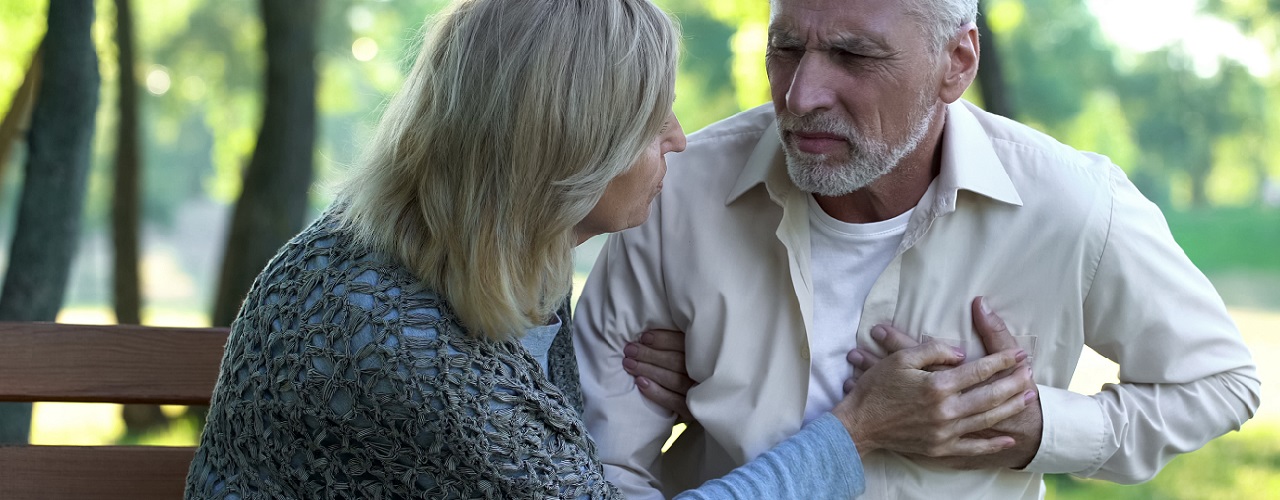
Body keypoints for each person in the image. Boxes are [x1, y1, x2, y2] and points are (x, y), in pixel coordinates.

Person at [183, 0, 1038, 498]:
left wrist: (679, 389)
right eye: (647, 121)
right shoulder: (399, 346)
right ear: (564, 149)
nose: (678, 142)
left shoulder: (473, 267)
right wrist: (858, 430)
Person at [573, 0, 1263, 498]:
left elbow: (1221, 383)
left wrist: (1034, 428)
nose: (803, 93)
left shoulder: (1074, 208)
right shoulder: (675, 195)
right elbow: (602, 469)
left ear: (956, 63)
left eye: (853, 55)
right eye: (784, 48)